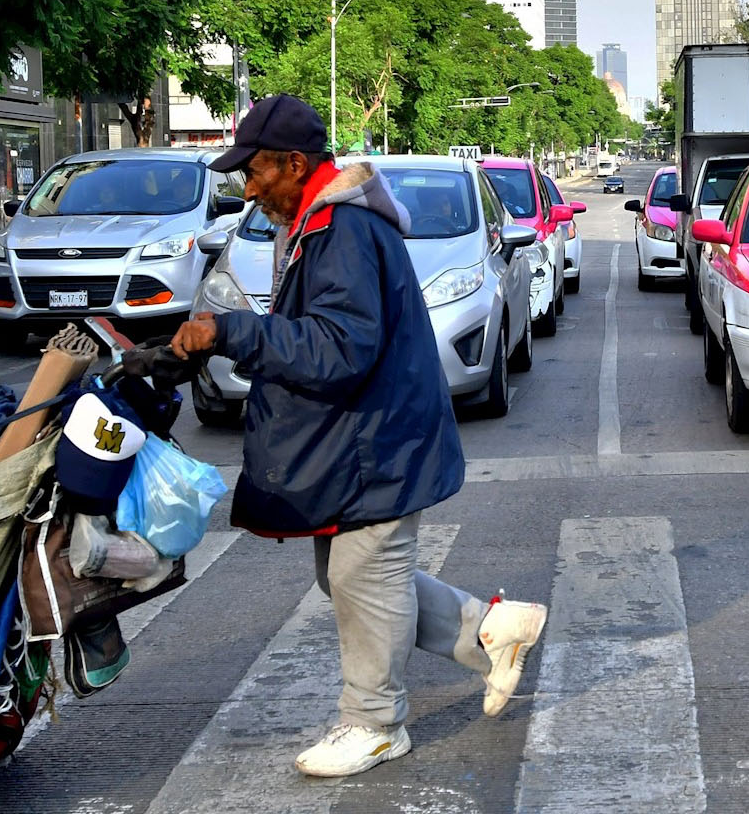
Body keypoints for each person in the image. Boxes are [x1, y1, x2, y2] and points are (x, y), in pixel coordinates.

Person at [171, 95, 547, 779]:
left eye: (256, 172)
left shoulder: (342, 228)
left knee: (359, 571)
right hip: (364, 438)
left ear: (294, 163)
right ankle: (491, 630)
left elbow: (339, 347)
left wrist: (232, 332)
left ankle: (375, 723)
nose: (249, 189)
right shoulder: (321, 219)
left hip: (377, 442)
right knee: (350, 573)